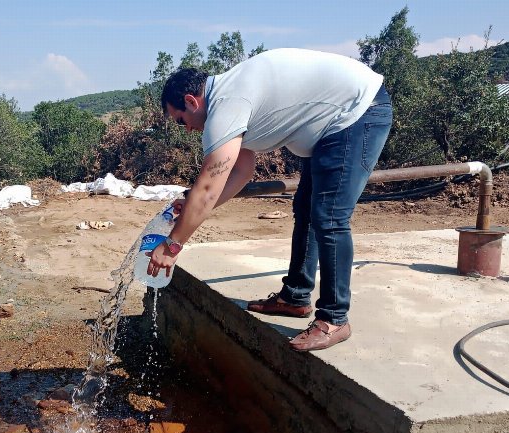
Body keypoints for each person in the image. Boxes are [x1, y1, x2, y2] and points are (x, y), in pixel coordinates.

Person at [148, 48, 392, 351]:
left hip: (357, 112)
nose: (186, 128)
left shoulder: (226, 105)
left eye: (181, 119)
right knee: (306, 209)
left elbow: (209, 189)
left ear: (191, 101)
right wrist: (190, 201)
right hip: (337, 121)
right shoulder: (231, 100)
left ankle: (334, 319)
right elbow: (241, 172)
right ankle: (295, 297)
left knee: (329, 217)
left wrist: (172, 246)